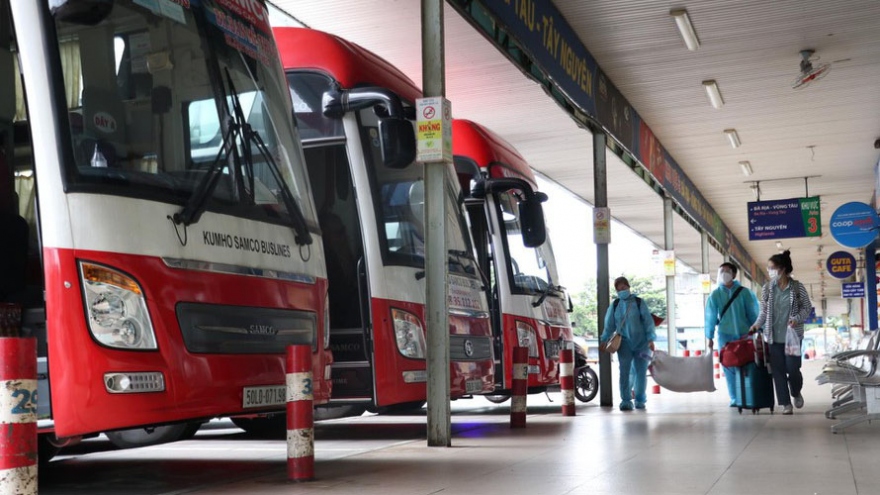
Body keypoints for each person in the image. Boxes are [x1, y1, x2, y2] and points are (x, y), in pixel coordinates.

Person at [750, 250, 813, 415]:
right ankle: (785, 403)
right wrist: (756, 325)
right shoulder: (767, 289)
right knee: (777, 371)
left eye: (772, 268)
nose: (769, 271)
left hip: (792, 337)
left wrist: (797, 318)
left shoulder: (798, 287)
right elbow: (763, 312)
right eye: (768, 267)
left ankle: (796, 391)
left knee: (793, 368)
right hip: (773, 338)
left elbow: (807, 308)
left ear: (782, 269)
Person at [704, 262, 759, 406]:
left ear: (734, 274)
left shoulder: (745, 293)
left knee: (746, 365)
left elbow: (753, 313)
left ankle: (748, 395)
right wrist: (709, 336)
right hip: (725, 335)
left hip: (745, 335)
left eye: (727, 271)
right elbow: (710, 316)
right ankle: (735, 398)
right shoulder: (715, 295)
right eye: (721, 271)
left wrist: (758, 330)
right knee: (728, 366)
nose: (723, 273)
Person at [600, 276, 656, 411]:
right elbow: (609, 325)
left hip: (642, 343)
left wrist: (650, 339)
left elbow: (648, 322)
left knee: (641, 372)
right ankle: (625, 400)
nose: (622, 291)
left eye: (624, 288)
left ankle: (640, 399)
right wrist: (604, 339)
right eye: (619, 289)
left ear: (629, 287)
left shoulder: (639, 302)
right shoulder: (614, 305)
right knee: (624, 372)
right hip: (623, 343)